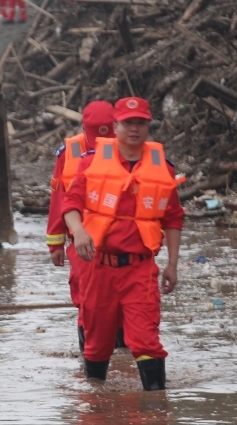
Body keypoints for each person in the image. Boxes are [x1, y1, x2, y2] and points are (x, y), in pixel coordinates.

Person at [63, 96, 183, 390]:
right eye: (128, 123)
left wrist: (172, 265)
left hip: (140, 269)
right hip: (99, 268)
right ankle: (95, 410)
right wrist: (78, 231)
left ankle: (156, 412)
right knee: (97, 345)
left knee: (146, 341)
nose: (134, 129)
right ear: (114, 126)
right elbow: (70, 203)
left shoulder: (162, 169)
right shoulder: (91, 163)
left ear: (148, 127)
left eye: (141, 123)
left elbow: (173, 218)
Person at [47, 101, 117, 351]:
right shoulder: (68, 153)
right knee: (86, 299)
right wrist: (54, 242)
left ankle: (120, 358)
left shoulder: (129, 150)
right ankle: (91, 364)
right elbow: (59, 198)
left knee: (122, 300)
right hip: (81, 238)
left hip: (119, 239)